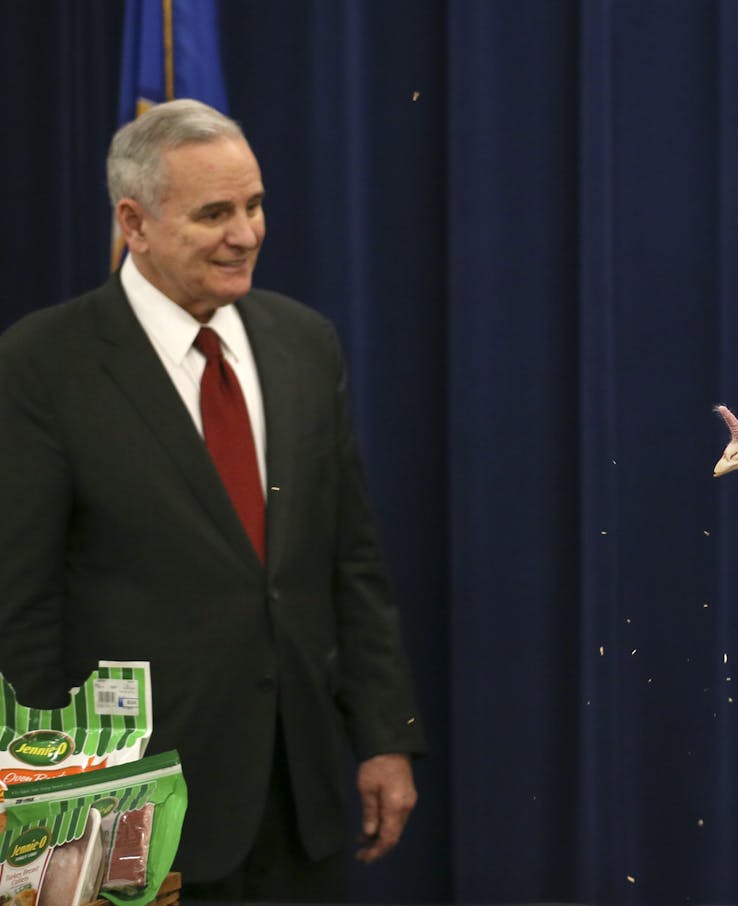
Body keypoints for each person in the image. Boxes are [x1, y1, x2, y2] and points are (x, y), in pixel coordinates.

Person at [0, 99, 426, 901]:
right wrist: (53, 803)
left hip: (299, 801)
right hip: (128, 811)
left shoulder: (305, 343)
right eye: (214, 213)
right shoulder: (41, 364)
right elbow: (20, 605)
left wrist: (383, 736)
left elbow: (351, 561)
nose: (247, 233)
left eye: (255, 205)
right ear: (135, 221)